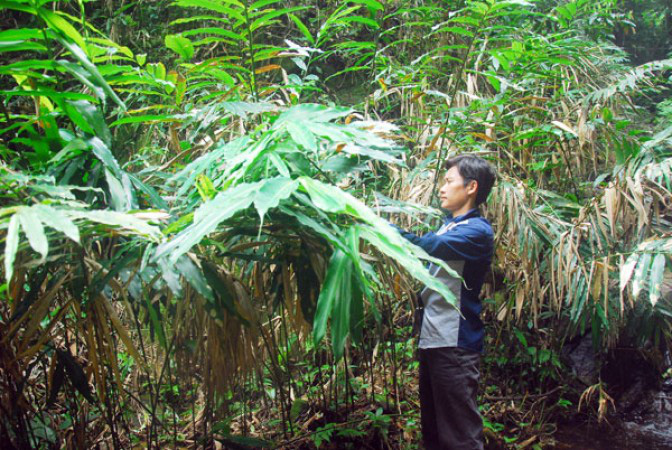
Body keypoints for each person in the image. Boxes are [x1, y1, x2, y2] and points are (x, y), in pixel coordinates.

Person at [394, 155, 496, 450]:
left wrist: (381, 228)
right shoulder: (447, 226)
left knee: (460, 436)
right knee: (435, 432)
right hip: (434, 339)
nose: (442, 188)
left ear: (471, 187)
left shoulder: (477, 231)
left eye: (449, 181)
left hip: (455, 342)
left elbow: (428, 247)